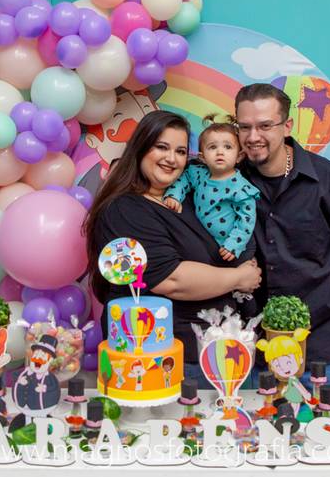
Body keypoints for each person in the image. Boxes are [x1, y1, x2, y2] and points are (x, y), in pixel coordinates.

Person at [84, 110, 262, 383]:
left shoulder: (185, 200)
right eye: (162, 147)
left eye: (180, 151)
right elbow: (170, 280)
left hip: (220, 353)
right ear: (141, 148)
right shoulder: (124, 209)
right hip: (167, 362)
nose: (172, 159)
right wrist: (239, 278)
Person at [235, 83, 330, 393]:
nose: (253, 136)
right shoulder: (230, 182)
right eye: (244, 127)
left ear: (287, 126)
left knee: (328, 424)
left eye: (265, 126)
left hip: (325, 349)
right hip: (256, 349)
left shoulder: (329, 181)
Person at [163, 114, 259, 262]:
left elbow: (247, 220)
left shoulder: (241, 188)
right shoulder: (198, 174)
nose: (220, 152)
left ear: (239, 156)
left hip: (234, 247)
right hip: (208, 242)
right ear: (202, 157)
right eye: (213, 147)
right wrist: (174, 195)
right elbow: (183, 179)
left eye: (228, 147)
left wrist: (234, 244)